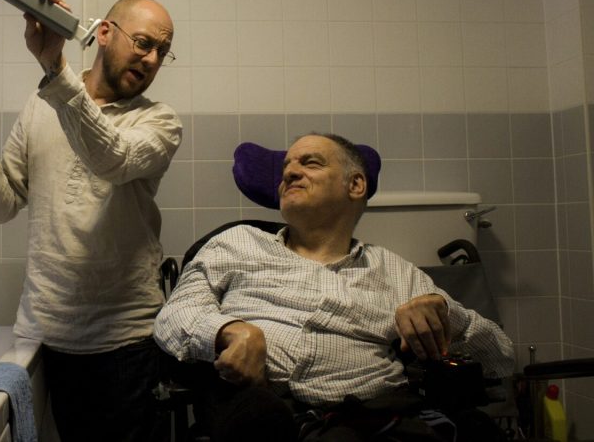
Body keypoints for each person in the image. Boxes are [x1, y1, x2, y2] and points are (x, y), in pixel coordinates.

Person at [153, 133, 515, 441]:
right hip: (271, 413)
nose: (289, 172)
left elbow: (501, 357)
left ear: (355, 185)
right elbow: (175, 315)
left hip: (380, 412)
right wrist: (229, 330)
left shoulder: (395, 270)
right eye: (286, 167)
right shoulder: (236, 243)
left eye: (310, 163)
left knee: (477, 429)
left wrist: (445, 313)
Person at [0, 0, 181, 442]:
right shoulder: (41, 105)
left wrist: (55, 67)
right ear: (104, 33)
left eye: (162, 52)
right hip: (43, 338)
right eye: (144, 43)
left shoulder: (160, 122)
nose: (151, 59)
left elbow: (112, 158)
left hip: (124, 343)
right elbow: (4, 205)